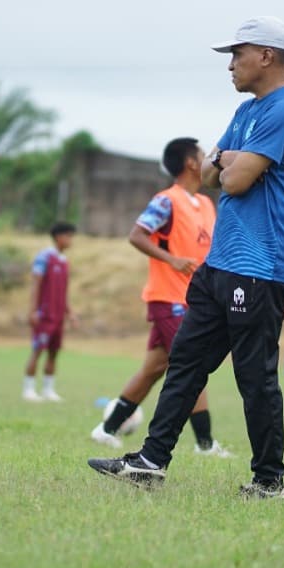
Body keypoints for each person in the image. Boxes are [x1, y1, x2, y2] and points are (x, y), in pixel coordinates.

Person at [89, 15, 284, 499]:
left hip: (261, 267)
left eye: (237, 54)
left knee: (253, 376)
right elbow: (216, 176)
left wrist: (231, 164)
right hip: (222, 264)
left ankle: (268, 480)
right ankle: (151, 461)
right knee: (186, 361)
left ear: (266, 56)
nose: (230, 64)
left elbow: (230, 180)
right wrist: (230, 162)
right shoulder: (247, 112)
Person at [90, 138, 231, 458]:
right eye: (201, 152)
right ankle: (205, 444)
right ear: (192, 164)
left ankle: (107, 429)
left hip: (193, 300)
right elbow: (137, 234)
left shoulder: (207, 205)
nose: (208, 155)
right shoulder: (166, 201)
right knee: (192, 363)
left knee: (154, 368)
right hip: (168, 298)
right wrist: (171, 261)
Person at [22, 222, 77, 402]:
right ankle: (28, 389)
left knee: (54, 352)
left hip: (58, 315)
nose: (70, 240)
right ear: (58, 237)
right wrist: (33, 310)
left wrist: (70, 313)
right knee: (38, 350)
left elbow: (63, 290)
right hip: (44, 313)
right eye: (68, 236)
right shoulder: (45, 257)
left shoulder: (64, 261)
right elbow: (36, 284)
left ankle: (48, 390)